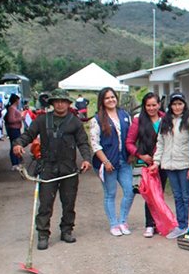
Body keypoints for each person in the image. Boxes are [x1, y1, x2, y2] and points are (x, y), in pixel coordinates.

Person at [12, 89, 92, 250]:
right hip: (47, 167)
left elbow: (83, 143)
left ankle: (67, 230)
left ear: (69, 104)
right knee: (45, 204)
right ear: (52, 103)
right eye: (57, 101)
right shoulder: (42, 120)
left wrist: (86, 159)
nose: (60, 104)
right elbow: (28, 135)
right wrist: (18, 144)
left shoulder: (75, 122)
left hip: (69, 168)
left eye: (63, 101)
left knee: (69, 202)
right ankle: (43, 234)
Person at [151, 93, 189, 239]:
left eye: (180, 104)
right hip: (169, 165)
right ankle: (180, 226)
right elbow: (160, 143)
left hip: (185, 164)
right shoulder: (164, 121)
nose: (177, 107)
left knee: (187, 197)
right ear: (170, 106)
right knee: (178, 196)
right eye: (174, 104)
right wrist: (157, 162)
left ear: (184, 105)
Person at [90, 87, 135, 237]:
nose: (111, 100)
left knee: (129, 191)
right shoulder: (96, 119)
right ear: (102, 101)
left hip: (124, 160)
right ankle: (113, 224)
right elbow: (95, 144)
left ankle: (123, 220)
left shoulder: (125, 115)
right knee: (110, 193)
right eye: (107, 98)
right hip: (107, 162)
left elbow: (131, 136)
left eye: (113, 97)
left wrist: (131, 153)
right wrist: (105, 161)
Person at [125, 92, 166, 238]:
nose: (151, 108)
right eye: (148, 105)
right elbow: (129, 143)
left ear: (159, 105)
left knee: (160, 194)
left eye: (154, 105)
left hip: (163, 162)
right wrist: (140, 155)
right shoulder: (138, 121)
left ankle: (161, 223)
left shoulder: (165, 119)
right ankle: (149, 224)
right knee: (149, 194)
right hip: (145, 163)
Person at [5, 94, 24, 170]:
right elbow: (11, 120)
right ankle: (14, 163)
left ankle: (17, 162)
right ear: (16, 100)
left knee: (17, 145)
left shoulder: (14, 108)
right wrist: (20, 118)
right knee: (14, 145)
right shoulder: (12, 109)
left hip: (16, 129)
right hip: (13, 129)